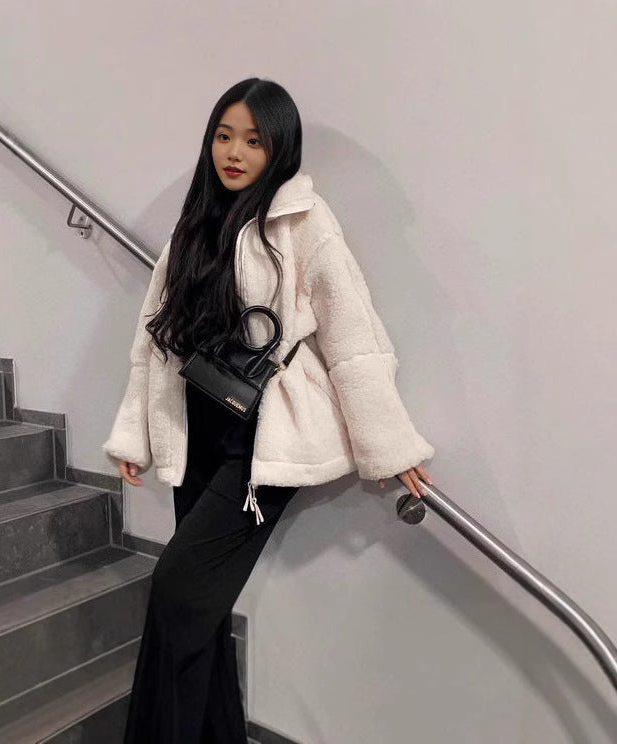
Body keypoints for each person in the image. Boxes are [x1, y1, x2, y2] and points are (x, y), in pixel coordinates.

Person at [103, 77, 434, 744]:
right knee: (202, 611)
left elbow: (352, 336)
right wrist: (134, 433)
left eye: (253, 141)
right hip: (199, 429)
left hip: (262, 445)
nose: (234, 152)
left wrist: (390, 445)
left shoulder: (304, 221)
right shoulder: (195, 222)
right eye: (224, 136)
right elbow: (154, 338)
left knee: (177, 595)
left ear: (279, 146)